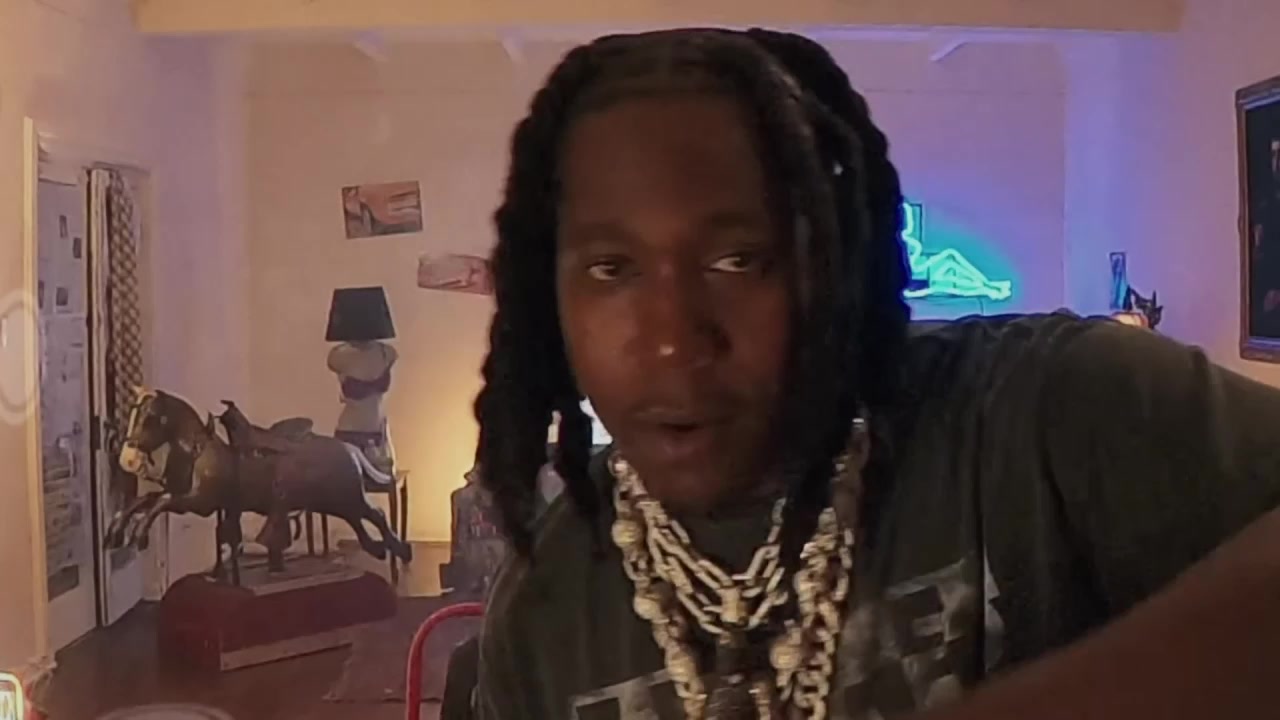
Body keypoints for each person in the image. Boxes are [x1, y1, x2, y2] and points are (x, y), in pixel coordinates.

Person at [470, 28, 1280, 720]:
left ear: (829, 262)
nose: (674, 341)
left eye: (737, 259)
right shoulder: (542, 613)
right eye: (612, 269)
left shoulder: (1047, 411)